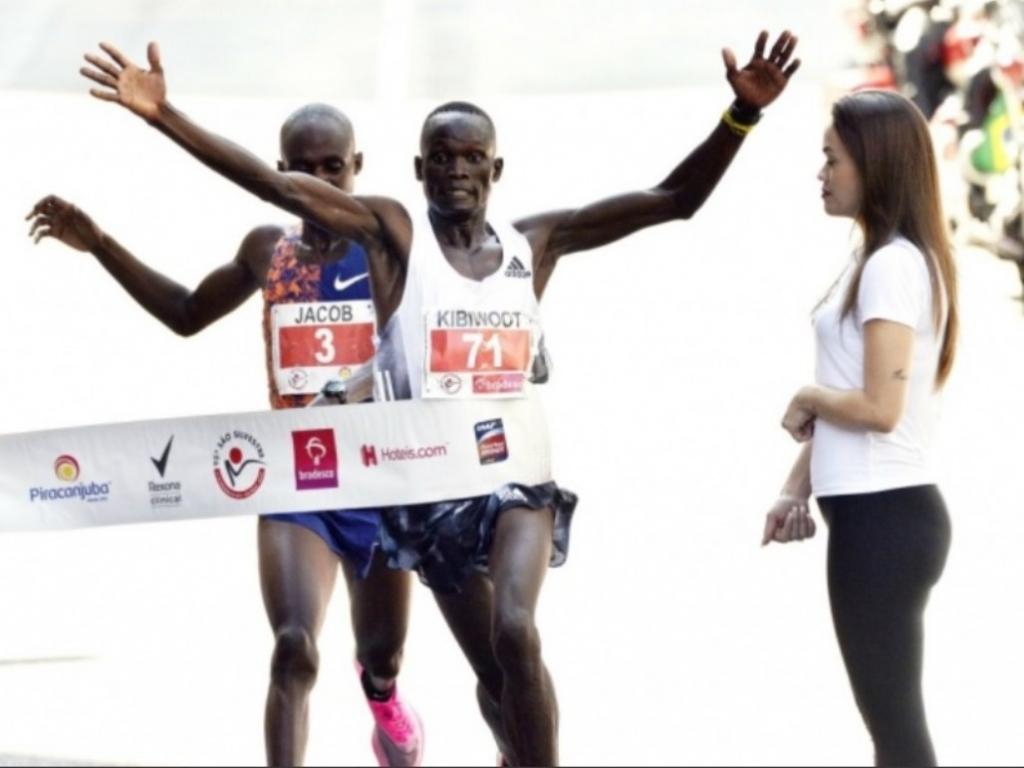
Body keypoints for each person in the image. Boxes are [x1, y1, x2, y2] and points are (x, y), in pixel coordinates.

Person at [78, 31, 800, 765]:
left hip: (516, 483)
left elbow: (673, 200)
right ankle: (498, 741)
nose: (457, 170)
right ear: (419, 169)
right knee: (492, 672)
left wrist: (740, 116)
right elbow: (279, 188)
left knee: (516, 631)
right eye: (442, 158)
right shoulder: (393, 237)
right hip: (431, 494)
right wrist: (165, 116)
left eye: (473, 157)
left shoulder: (535, 242)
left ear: (496, 168)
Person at [24, 103, 423, 768]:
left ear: (358, 166)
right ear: (281, 171)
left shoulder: (383, 245)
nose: (318, 181)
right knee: (294, 647)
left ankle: (382, 694)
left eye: (333, 167)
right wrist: (100, 245)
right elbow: (186, 313)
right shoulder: (270, 251)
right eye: (302, 168)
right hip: (296, 480)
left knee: (382, 653)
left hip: (381, 480)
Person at [763, 90, 959, 768]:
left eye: (832, 159)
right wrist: (795, 488)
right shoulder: (872, 257)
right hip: (875, 516)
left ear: (874, 165)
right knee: (890, 728)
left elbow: (879, 407)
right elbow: (854, 390)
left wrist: (806, 395)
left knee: (897, 733)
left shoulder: (892, 265)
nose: (820, 173)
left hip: (886, 520)